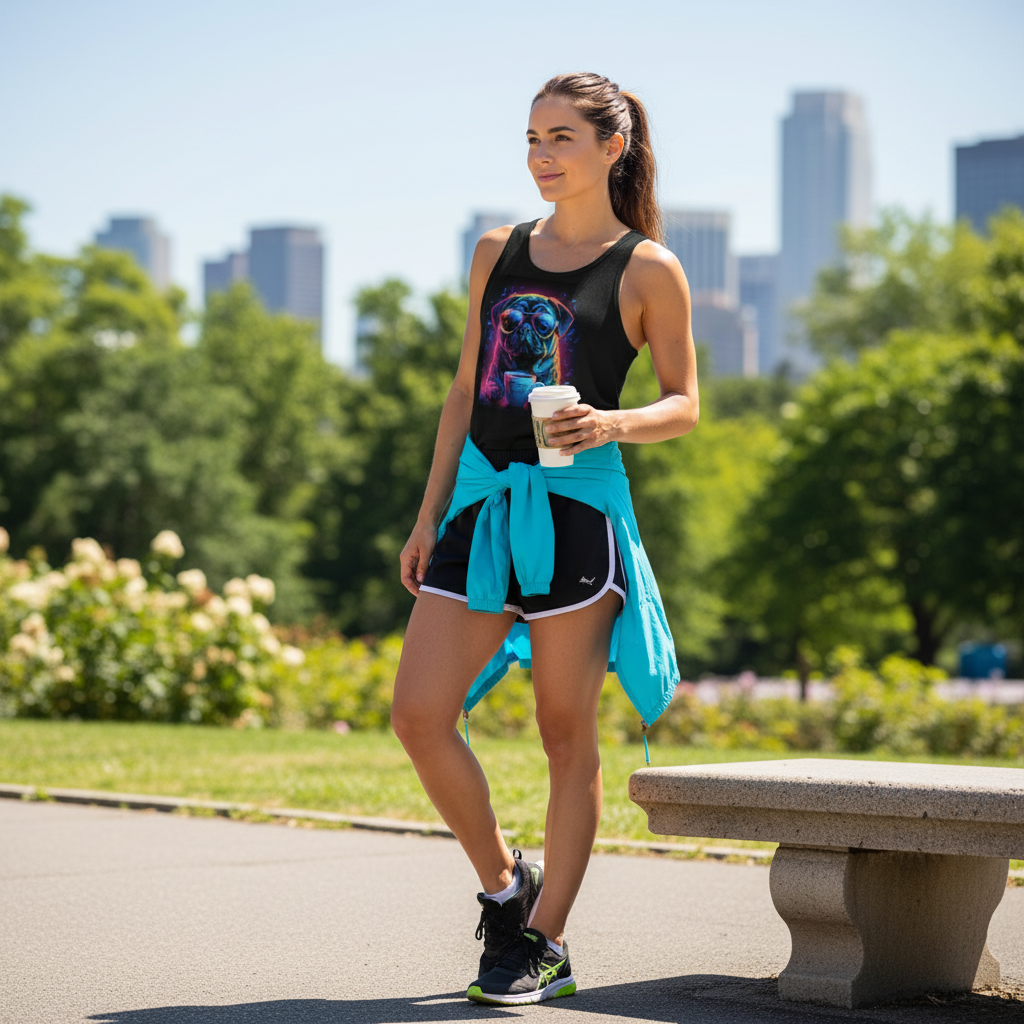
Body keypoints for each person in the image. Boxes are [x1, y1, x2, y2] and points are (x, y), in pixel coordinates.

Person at [390, 71, 698, 1006]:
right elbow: (462, 390)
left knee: (565, 732)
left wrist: (609, 423)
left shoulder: (648, 267)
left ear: (614, 147)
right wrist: (429, 512)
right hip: (482, 506)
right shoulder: (497, 249)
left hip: (579, 512)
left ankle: (546, 942)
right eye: (532, 137)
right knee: (418, 714)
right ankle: (503, 886)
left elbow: (685, 406)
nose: (541, 155)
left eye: (562, 137)